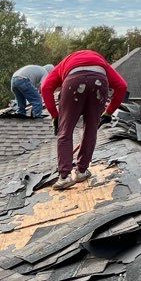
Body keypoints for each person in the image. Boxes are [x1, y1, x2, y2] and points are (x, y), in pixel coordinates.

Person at [40, 49, 128, 189]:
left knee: (65, 131)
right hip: (100, 82)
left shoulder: (64, 64)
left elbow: (45, 88)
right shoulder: (102, 63)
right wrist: (108, 113)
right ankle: (81, 171)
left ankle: (65, 177)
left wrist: (55, 116)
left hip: (72, 83)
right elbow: (122, 86)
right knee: (91, 130)